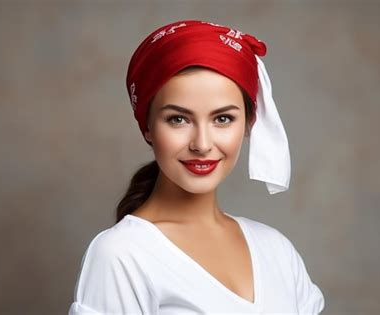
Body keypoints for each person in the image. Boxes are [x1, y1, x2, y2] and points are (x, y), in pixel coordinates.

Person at [68, 20, 325, 314]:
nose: (202, 144)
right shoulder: (121, 255)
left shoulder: (278, 251)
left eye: (223, 119)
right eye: (178, 119)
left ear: (249, 123)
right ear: (148, 126)